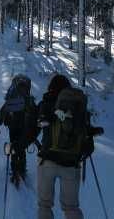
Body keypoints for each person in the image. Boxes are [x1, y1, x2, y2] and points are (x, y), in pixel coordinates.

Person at [37, 74, 103, 219]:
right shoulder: (78, 108)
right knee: (71, 208)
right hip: (71, 164)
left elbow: (35, 126)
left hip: (47, 160)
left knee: (45, 205)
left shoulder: (46, 103)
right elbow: (87, 139)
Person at [0, 74, 37, 185]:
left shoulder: (11, 98)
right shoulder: (29, 99)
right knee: (21, 147)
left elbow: (1, 114)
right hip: (25, 127)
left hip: (12, 125)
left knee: (13, 144)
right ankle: (21, 170)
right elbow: (35, 113)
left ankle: (14, 170)